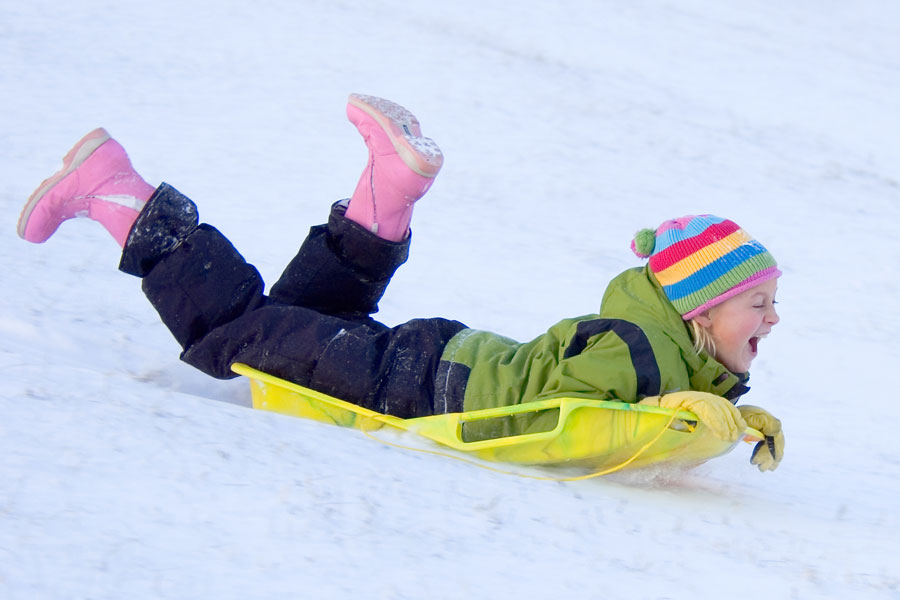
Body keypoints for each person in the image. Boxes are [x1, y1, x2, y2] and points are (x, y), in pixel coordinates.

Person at [17, 94, 785, 471]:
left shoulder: (659, 347)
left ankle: (387, 193)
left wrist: (714, 408)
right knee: (237, 334)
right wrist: (683, 410)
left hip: (437, 368)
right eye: (757, 303)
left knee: (300, 318)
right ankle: (117, 192)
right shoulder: (641, 352)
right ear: (696, 308)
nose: (773, 319)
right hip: (420, 385)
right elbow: (576, 415)